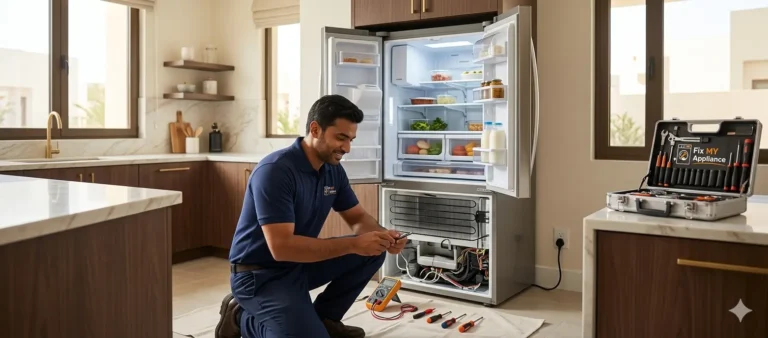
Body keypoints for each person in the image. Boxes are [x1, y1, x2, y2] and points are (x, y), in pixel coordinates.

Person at [215, 95, 406, 338]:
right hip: (258, 275)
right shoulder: (275, 171)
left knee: (372, 250)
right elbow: (282, 248)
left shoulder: (332, 170)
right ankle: (240, 317)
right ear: (315, 129)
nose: (347, 148)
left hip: (298, 265)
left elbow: (357, 218)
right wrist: (355, 243)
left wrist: (384, 237)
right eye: (341, 137)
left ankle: (326, 318)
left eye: (350, 140)